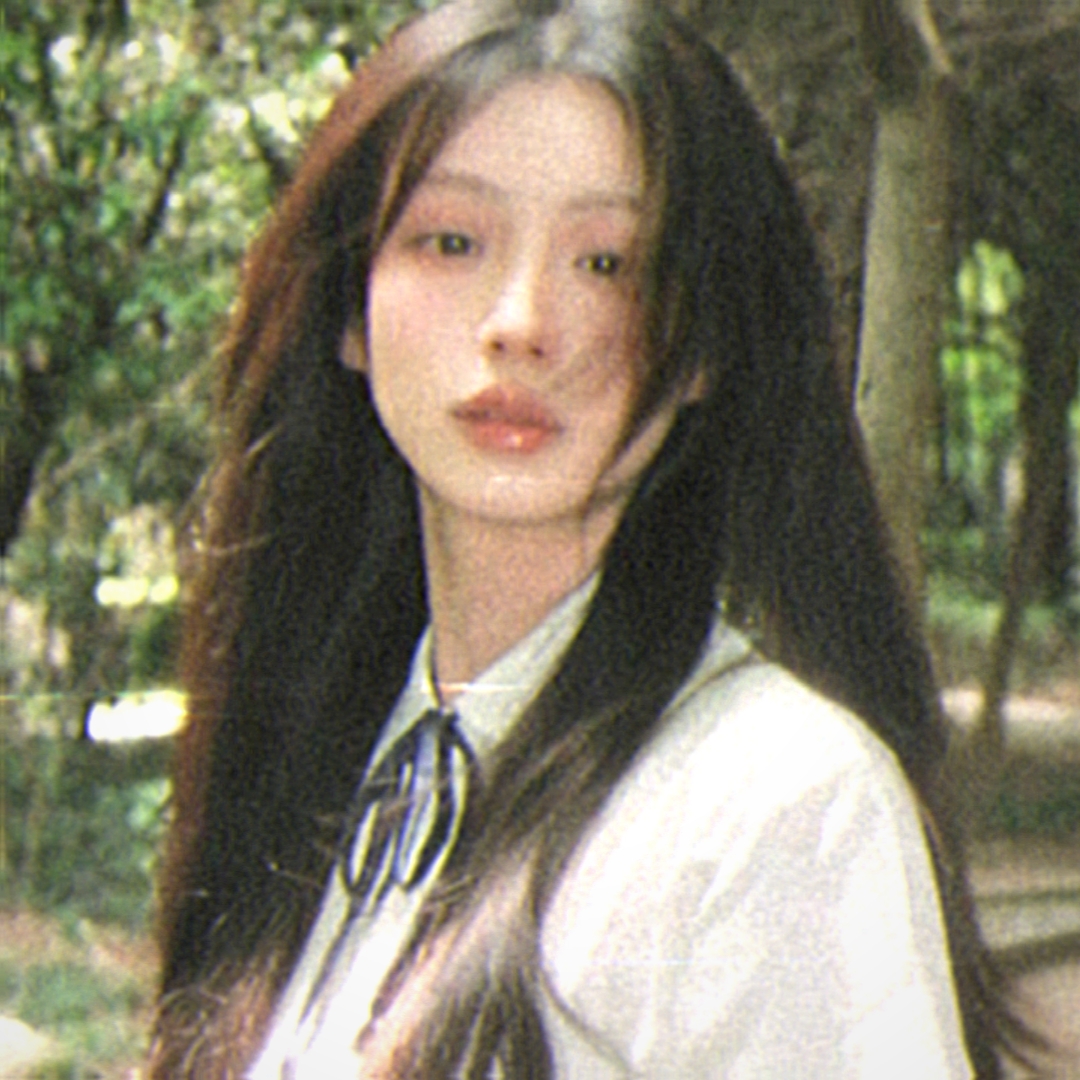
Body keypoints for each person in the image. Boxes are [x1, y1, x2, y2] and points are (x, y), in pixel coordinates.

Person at [149, 0, 1025, 1075]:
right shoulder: (333, 755)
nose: (520, 321)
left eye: (609, 263)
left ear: (705, 344)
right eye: (452, 240)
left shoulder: (777, 803)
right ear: (349, 313)